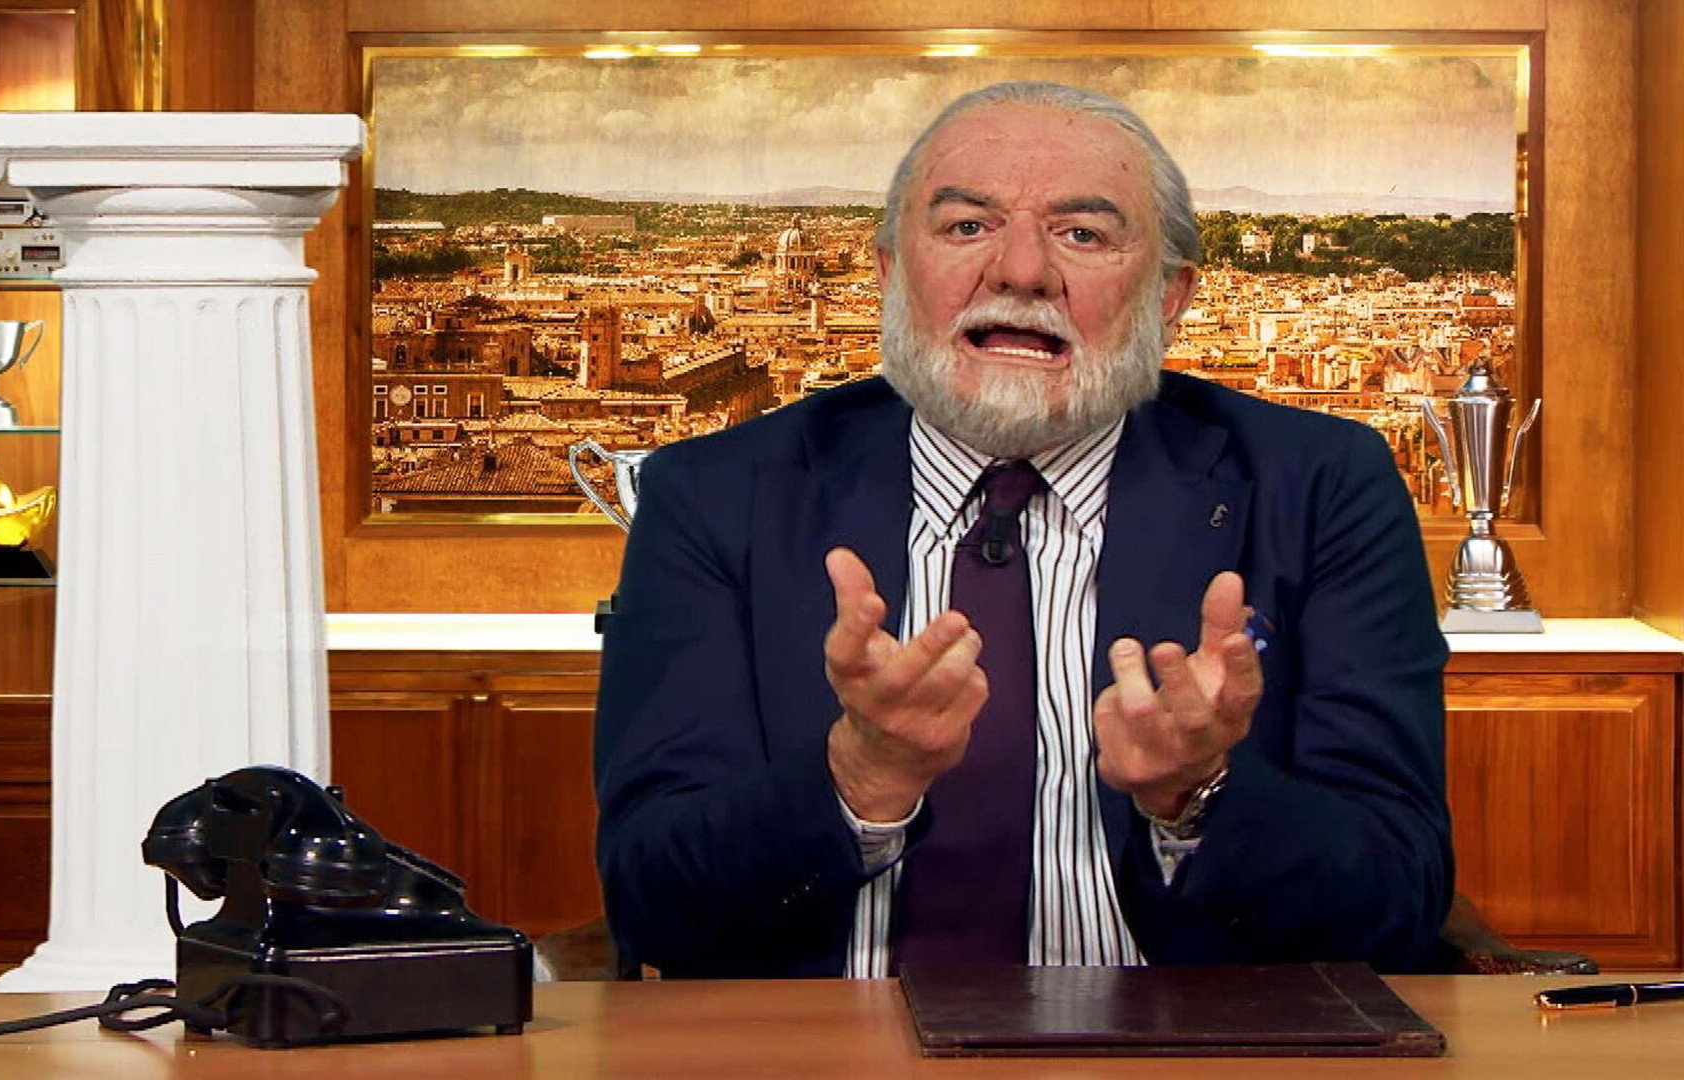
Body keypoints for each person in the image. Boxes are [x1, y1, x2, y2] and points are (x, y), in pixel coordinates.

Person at [593, 81, 1452, 979]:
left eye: (1083, 234)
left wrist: (1199, 795)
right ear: (890, 273)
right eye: (968, 226)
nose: (1021, 271)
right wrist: (859, 776)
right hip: (824, 1041)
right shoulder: (713, 498)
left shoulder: (1319, 489)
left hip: (1185, 1039)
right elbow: (653, 906)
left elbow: (1398, 902)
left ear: (1168, 297)